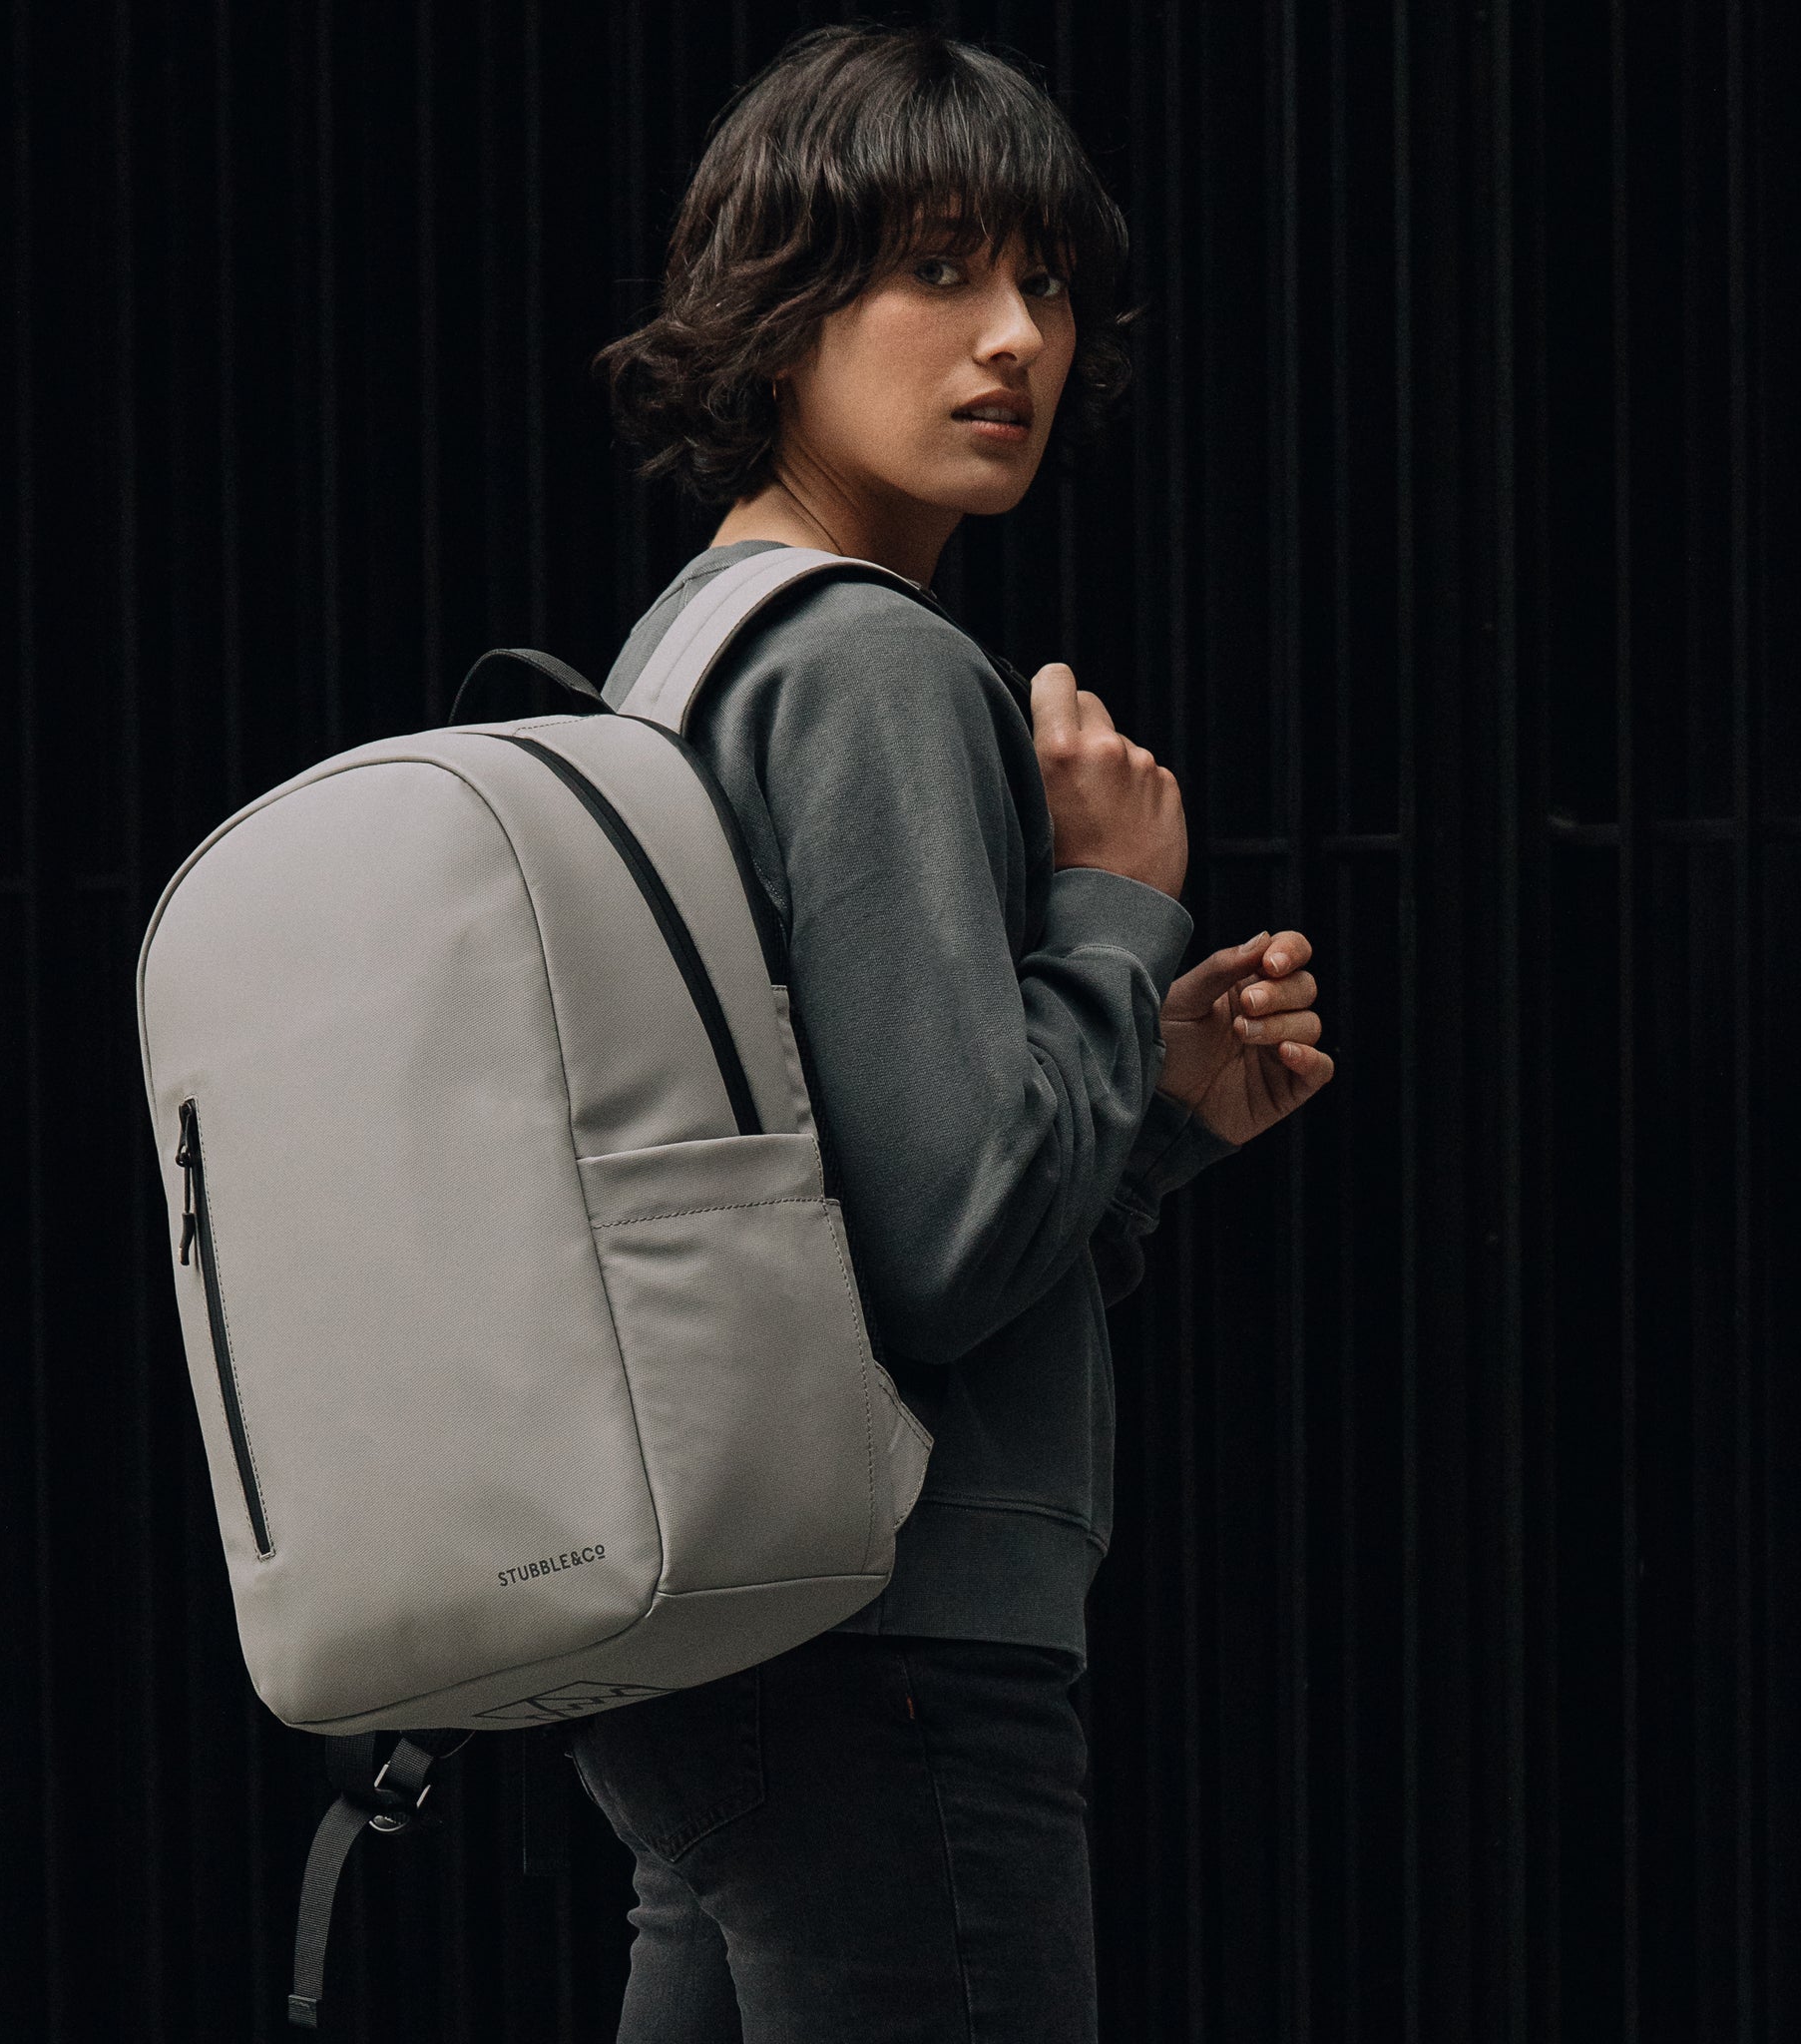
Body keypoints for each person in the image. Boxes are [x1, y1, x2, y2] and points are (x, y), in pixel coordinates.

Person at [573, 24, 1334, 2042]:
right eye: (934, 268)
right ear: (781, 298)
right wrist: (1104, 905)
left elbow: (854, 1201)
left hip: (721, 1632)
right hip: (895, 1646)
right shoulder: (880, 666)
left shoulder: (685, 650)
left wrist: (1147, 1103)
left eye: (1047, 283)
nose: (1012, 337)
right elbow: (951, 1239)